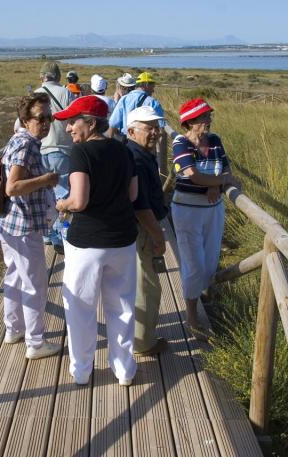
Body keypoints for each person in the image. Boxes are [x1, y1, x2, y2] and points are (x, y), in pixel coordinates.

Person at [54, 96, 139, 386]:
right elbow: (132, 196)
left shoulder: (81, 153)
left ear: (90, 123)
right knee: (123, 308)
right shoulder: (125, 151)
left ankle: (82, 371)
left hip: (88, 243)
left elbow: (79, 200)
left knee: (80, 308)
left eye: (72, 122)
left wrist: (62, 204)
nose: (68, 129)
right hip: (123, 240)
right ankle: (124, 370)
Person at [0, 92, 62, 359]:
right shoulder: (27, 145)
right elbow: (13, 187)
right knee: (35, 284)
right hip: (24, 225)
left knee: (13, 275)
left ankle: (13, 329)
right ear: (25, 120)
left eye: (49, 117)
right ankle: (35, 343)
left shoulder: (18, 139)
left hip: (9, 222)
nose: (46, 123)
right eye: (40, 118)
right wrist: (47, 179)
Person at [170, 98, 239, 334]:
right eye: (203, 117)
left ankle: (206, 300)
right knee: (193, 265)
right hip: (188, 211)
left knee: (210, 263)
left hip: (213, 210)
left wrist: (216, 185)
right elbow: (192, 175)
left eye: (209, 116)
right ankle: (192, 319)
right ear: (189, 122)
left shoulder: (216, 141)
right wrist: (219, 182)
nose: (209, 121)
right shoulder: (181, 143)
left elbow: (227, 168)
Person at [125, 106, 169, 356]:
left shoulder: (137, 152)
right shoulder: (138, 159)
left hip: (134, 230)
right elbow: (141, 207)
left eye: (157, 127)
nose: (155, 132)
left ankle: (138, 336)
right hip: (141, 230)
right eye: (148, 128)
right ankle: (143, 343)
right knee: (146, 286)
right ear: (131, 130)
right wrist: (159, 235)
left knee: (140, 283)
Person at [35, 61, 76, 255]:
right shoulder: (66, 93)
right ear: (58, 76)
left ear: (42, 76)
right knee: (63, 192)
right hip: (63, 148)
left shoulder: (34, 94)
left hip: (40, 148)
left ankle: (47, 234)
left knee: (44, 192)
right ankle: (62, 233)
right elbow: (74, 117)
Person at [109, 71, 166, 138]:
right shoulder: (153, 103)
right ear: (147, 84)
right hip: (144, 141)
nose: (153, 90)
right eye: (152, 87)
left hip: (125, 142)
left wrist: (109, 144)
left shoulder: (124, 99)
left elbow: (112, 124)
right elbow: (161, 129)